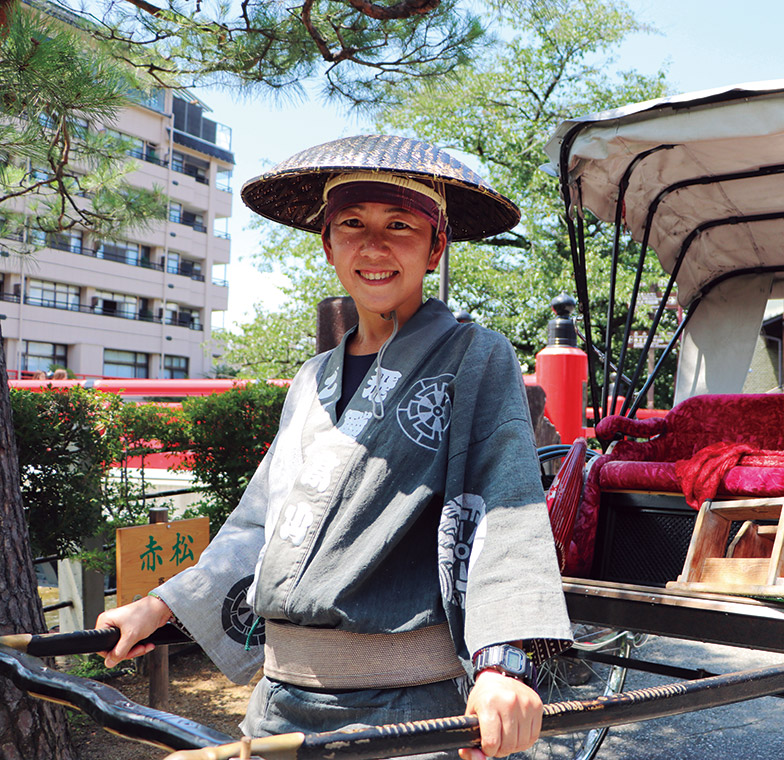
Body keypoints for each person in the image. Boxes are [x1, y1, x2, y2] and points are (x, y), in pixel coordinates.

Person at [96, 135, 572, 759]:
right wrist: (159, 607)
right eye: (352, 224)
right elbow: (263, 521)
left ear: (436, 247)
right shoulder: (311, 377)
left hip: (408, 704)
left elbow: (506, 506)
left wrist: (501, 668)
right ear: (328, 244)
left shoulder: (475, 357)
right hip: (281, 696)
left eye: (400, 225)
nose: (373, 246)